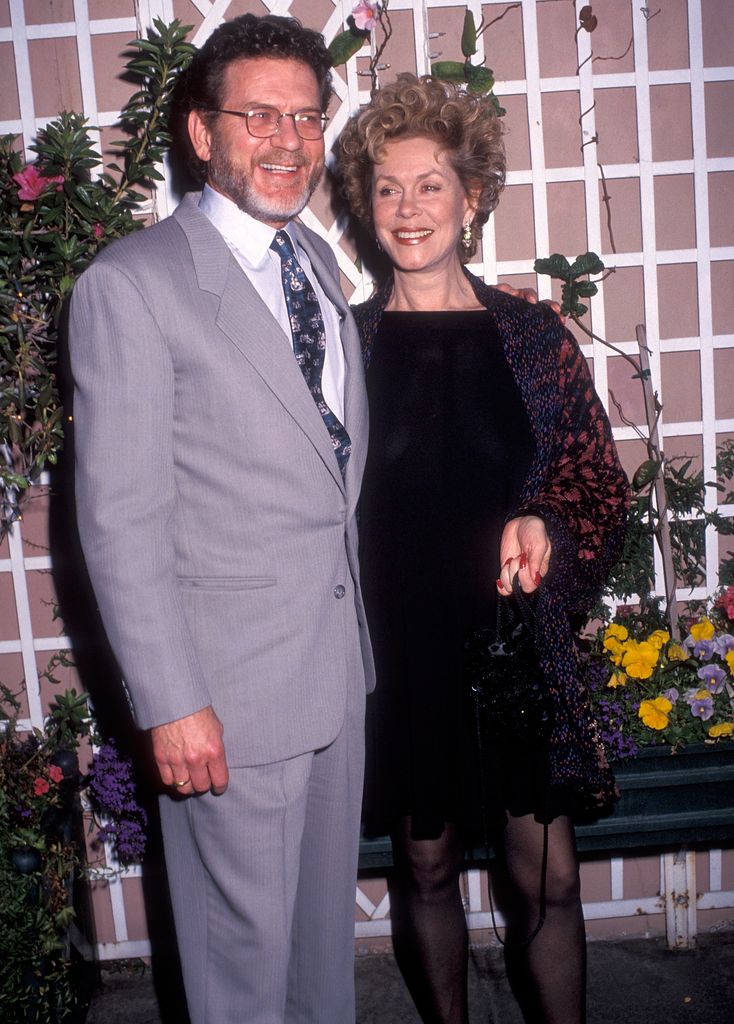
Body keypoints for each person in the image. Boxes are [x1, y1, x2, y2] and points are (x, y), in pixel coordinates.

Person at [68, 15, 374, 1024]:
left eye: (306, 116)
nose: (290, 140)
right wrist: (169, 701)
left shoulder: (318, 266)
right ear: (202, 132)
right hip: (224, 700)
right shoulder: (131, 284)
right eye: (260, 116)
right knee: (239, 979)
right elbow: (119, 517)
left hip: (332, 674)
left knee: (321, 961)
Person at [337, 74, 630, 1024]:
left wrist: (545, 516)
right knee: (423, 872)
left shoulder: (532, 336)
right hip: (403, 644)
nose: (408, 208)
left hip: (514, 640)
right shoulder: (348, 345)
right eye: (387, 187)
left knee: (544, 880)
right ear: (365, 205)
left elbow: (597, 480)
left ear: (470, 197)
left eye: (430, 185)